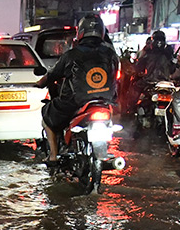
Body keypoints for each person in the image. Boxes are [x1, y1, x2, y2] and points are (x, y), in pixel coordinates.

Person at [34, 13, 120, 162]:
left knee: (47, 115)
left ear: (80, 33)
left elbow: (52, 75)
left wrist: (39, 83)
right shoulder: (111, 54)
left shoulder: (71, 55)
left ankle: (53, 156)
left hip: (76, 102)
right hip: (105, 101)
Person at [133, 30, 177, 94]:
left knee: (135, 86)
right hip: (165, 83)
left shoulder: (148, 54)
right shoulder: (169, 55)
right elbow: (173, 69)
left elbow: (138, 67)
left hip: (150, 82)